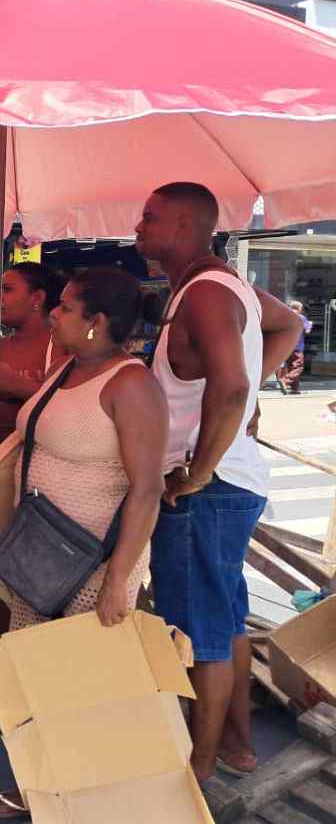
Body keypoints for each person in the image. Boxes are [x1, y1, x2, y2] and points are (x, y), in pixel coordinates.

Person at [0, 266, 169, 820]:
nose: (54, 314)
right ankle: (43, 784)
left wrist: (116, 583)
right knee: (41, 674)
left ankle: (78, 795)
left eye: (65, 306)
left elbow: (148, 490)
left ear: (97, 321)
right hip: (41, 558)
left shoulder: (131, 384)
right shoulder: (66, 368)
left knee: (82, 685)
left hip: (92, 566)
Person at [136, 182, 301, 786]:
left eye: (149, 219)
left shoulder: (206, 293)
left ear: (184, 227)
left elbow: (229, 389)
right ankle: (235, 745)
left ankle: (196, 771)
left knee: (197, 631)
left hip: (210, 489)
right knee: (224, 620)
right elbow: (290, 325)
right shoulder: (218, 288)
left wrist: (199, 468)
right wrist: (244, 394)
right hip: (229, 484)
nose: (137, 228)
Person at [0, 263, 66, 447]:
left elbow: (76, 411)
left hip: (37, 466)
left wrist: (16, 385)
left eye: (7, 289)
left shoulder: (62, 348)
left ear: (37, 298)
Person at [277, 300, 310, 394]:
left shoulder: (284, 317)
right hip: (297, 347)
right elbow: (307, 330)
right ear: (299, 309)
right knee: (298, 367)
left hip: (286, 347)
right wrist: (310, 326)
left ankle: (294, 389)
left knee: (291, 366)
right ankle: (285, 381)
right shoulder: (301, 317)